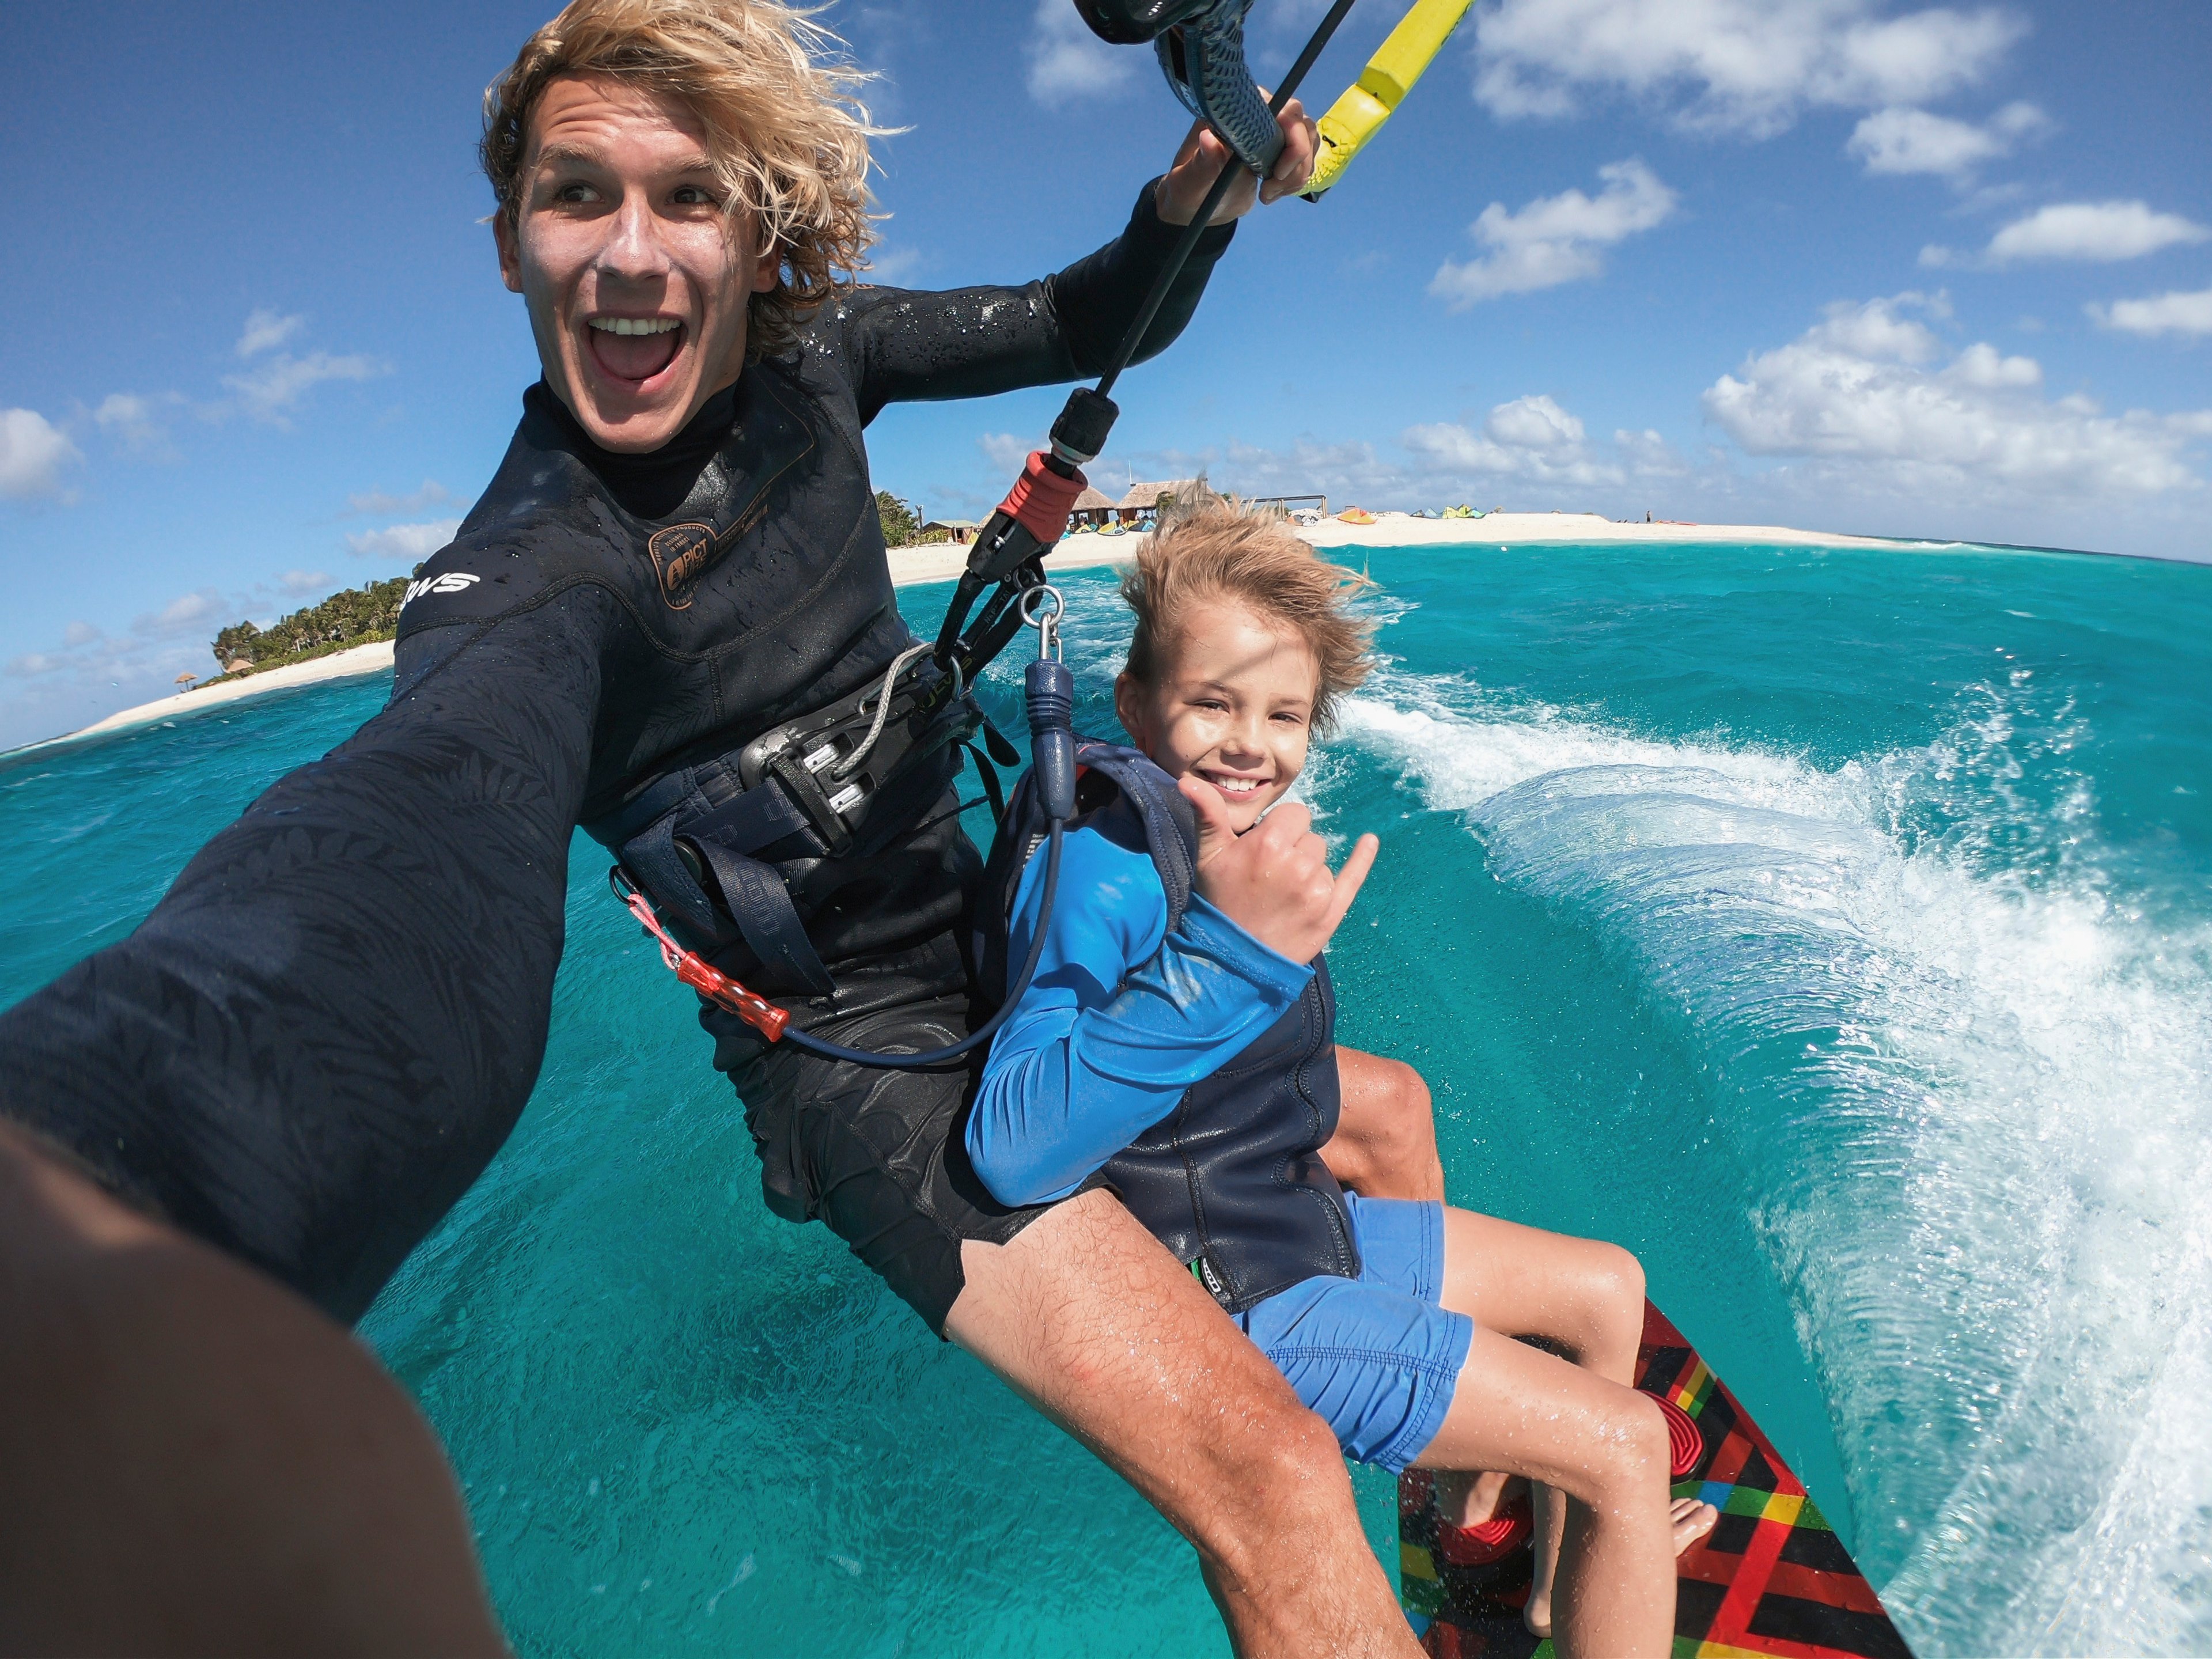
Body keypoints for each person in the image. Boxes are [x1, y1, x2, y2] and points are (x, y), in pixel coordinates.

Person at [0, 3, 1429, 1653]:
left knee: (1383, 1110)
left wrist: (1190, 201)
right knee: (1279, 1473)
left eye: (688, 198)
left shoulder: (821, 365)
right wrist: (115, 1170)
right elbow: (408, 843)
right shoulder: (529, 580)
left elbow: (1084, 315)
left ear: (760, 233)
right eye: (575, 195)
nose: (629, 253)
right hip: (859, 1057)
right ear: (508, 242)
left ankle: (1462, 1502)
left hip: (994, 931)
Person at [964, 499, 1718, 1657]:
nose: (1248, 745)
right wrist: (1239, 957)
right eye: (1211, 703)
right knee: (1622, 1441)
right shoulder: (1102, 873)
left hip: (1287, 1221)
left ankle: (1562, 1593)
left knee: (1610, 1289)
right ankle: (1602, 1512)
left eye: (1284, 714)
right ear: (1133, 705)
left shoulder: (1218, 836)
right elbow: (1009, 1142)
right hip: (1241, 1305)